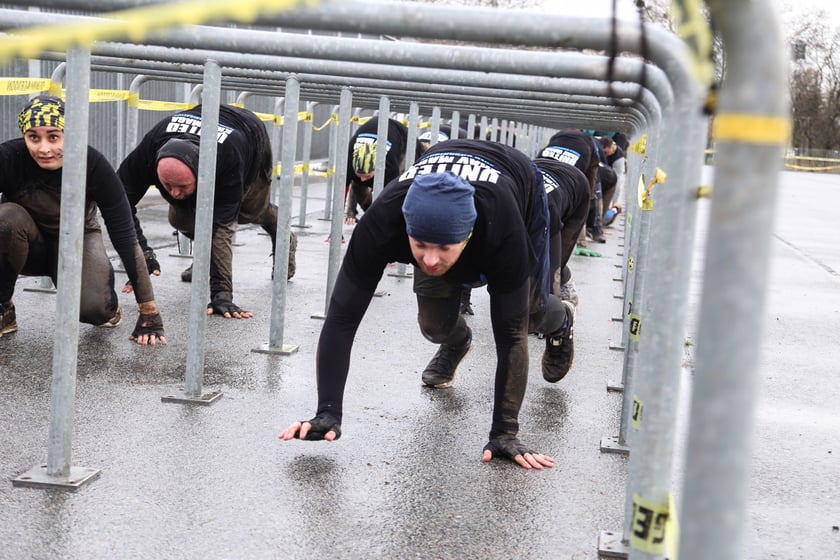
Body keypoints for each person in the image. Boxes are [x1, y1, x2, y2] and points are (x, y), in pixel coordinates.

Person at [280, 139, 579, 470]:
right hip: (439, 195)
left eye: (444, 248)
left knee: (529, 315)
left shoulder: (502, 228)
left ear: (467, 236)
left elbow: (510, 336)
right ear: (406, 229)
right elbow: (341, 319)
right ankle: (457, 342)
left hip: (516, 186)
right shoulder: (381, 222)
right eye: (420, 245)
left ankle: (562, 320)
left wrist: (505, 433)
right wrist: (327, 412)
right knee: (434, 325)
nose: (431, 259)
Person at [0, 95, 166, 345]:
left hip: (78, 242)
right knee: (6, 218)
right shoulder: (8, 157)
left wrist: (149, 310)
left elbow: (124, 233)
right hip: (27, 244)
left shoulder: (93, 164)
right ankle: (3, 308)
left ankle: (108, 308)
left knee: (95, 310)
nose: (43, 149)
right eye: (33, 137)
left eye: (53, 137)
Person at [118, 104, 296, 320]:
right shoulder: (149, 148)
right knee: (181, 219)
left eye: (181, 186)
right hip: (199, 143)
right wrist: (142, 255)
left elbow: (222, 229)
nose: (174, 193)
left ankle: (281, 231)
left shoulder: (230, 154)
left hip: (248, 135)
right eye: (167, 185)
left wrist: (222, 295)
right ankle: (205, 258)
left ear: (202, 174)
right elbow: (119, 203)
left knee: (248, 212)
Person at [533, 156, 591, 308]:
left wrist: (548, 306)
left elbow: (552, 267)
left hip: (577, 186)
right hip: (538, 165)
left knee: (554, 261)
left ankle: (566, 288)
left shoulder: (546, 212)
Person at [344, 116, 418, 224]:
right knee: (358, 184)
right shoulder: (349, 161)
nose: (363, 179)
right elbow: (343, 189)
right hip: (372, 133)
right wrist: (351, 212)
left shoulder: (390, 165)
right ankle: (371, 214)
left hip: (402, 136)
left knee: (398, 186)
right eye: (359, 175)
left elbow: (393, 196)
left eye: (367, 175)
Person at [537, 129, 599, 247]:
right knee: (584, 197)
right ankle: (586, 235)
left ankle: (586, 234)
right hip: (562, 164)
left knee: (585, 196)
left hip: (567, 159)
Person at [598, 135, 626, 226]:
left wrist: (615, 202)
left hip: (609, 180)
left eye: (606, 153)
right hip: (599, 176)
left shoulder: (618, 157)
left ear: (611, 147)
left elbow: (618, 181)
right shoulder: (596, 145)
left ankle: (615, 210)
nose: (604, 154)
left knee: (601, 219)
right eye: (603, 152)